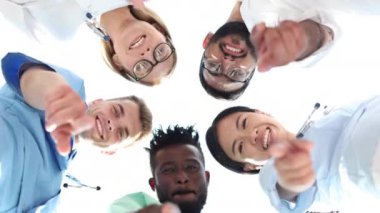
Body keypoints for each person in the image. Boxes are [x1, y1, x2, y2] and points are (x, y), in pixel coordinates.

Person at [0, 52, 153, 212]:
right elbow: (15, 66)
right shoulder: (71, 88)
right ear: (97, 101)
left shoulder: (52, 195)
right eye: (115, 110)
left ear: (110, 151)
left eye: (121, 133)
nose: (111, 123)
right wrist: (52, 92)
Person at [205, 96, 380, 212]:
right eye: (241, 147)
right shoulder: (273, 175)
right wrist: (290, 179)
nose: (252, 135)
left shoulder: (325, 115)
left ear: (260, 113)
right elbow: (281, 185)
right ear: (250, 166)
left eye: (244, 123)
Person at [200, 0, 380, 100]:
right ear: (255, 66)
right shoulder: (269, 25)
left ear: (206, 41)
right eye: (236, 74)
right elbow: (318, 35)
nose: (228, 63)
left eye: (213, 66)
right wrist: (299, 41)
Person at [0, 0, 177, 86]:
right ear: (160, 31)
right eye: (160, 51)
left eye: (142, 67)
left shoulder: (60, 31)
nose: (147, 53)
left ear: (118, 62)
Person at [110, 125, 210, 213]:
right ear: (153, 183)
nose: (182, 178)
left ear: (206, 178)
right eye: (168, 170)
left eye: (191, 167)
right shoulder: (129, 204)